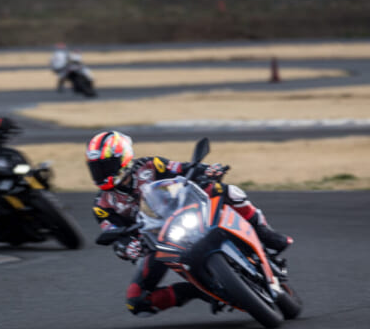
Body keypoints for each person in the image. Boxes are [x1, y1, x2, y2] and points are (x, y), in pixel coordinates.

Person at [86, 130, 293, 316]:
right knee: (136, 301)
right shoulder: (102, 205)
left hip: (184, 212)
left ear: (124, 158)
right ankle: (198, 291)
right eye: (96, 168)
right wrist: (127, 247)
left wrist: (208, 171)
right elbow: (114, 236)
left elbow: (184, 169)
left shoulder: (149, 165)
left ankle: (265, 233)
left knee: (226, 190)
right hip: (156, 243)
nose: (101, 173)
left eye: (105, 165)